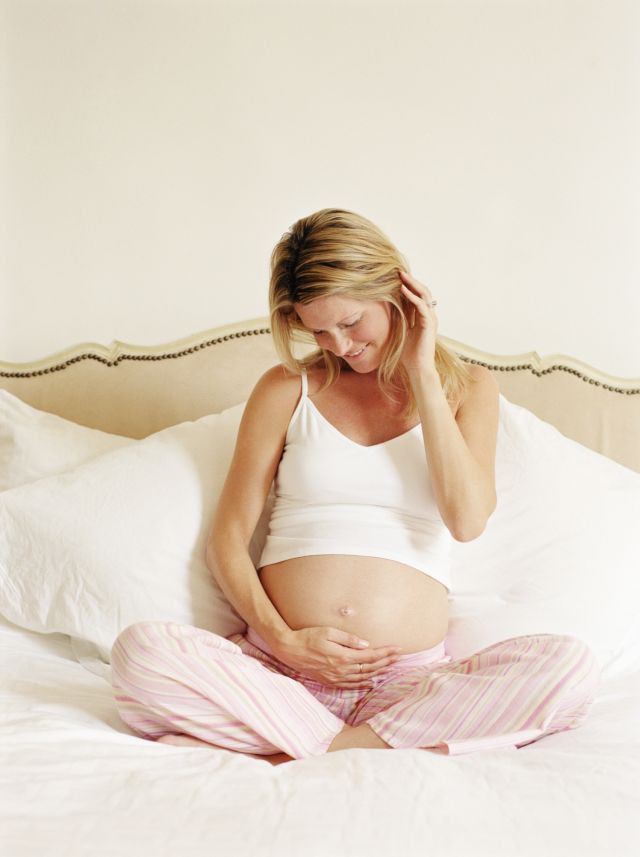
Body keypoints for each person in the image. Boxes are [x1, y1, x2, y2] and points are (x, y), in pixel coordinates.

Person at [110, 208, 600, 764]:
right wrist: (284, 639)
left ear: (396, 292)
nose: (339, 345)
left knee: (569, 668)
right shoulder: (286, 388)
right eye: (318, 330)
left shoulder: (468, 388)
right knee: (140, 654)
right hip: (279, 671)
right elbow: (227, 540)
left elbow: (467, 520)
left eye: (350, 322)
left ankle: (306, 747)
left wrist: (422, 373)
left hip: (407, 687)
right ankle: (372, 748)